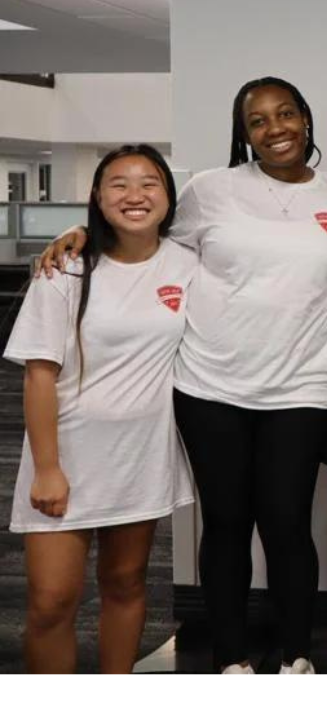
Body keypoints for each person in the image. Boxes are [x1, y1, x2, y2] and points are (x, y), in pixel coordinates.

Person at [39, 76, 327, 674]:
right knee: (225, 524)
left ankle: (296, 655)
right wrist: (84, 232)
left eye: (286, 114)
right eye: (258, 121)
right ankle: (230, 659)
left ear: (306, 118)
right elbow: (145, 233)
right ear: (244, 134)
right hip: (210, 385)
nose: (275, 129)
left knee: (288, 523)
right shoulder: (210, 190)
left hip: (301, 387)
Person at [6, 145, 196, 673]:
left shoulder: (188, 264)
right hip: (64, 457)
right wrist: (47, 469)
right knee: (50, 602)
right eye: (119, 183)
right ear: (97, 196)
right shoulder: (65, 268)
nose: (135, 195)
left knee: (126, 585)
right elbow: (39, 373)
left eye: (149, 182)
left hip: (140, 457)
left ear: (168, 195)